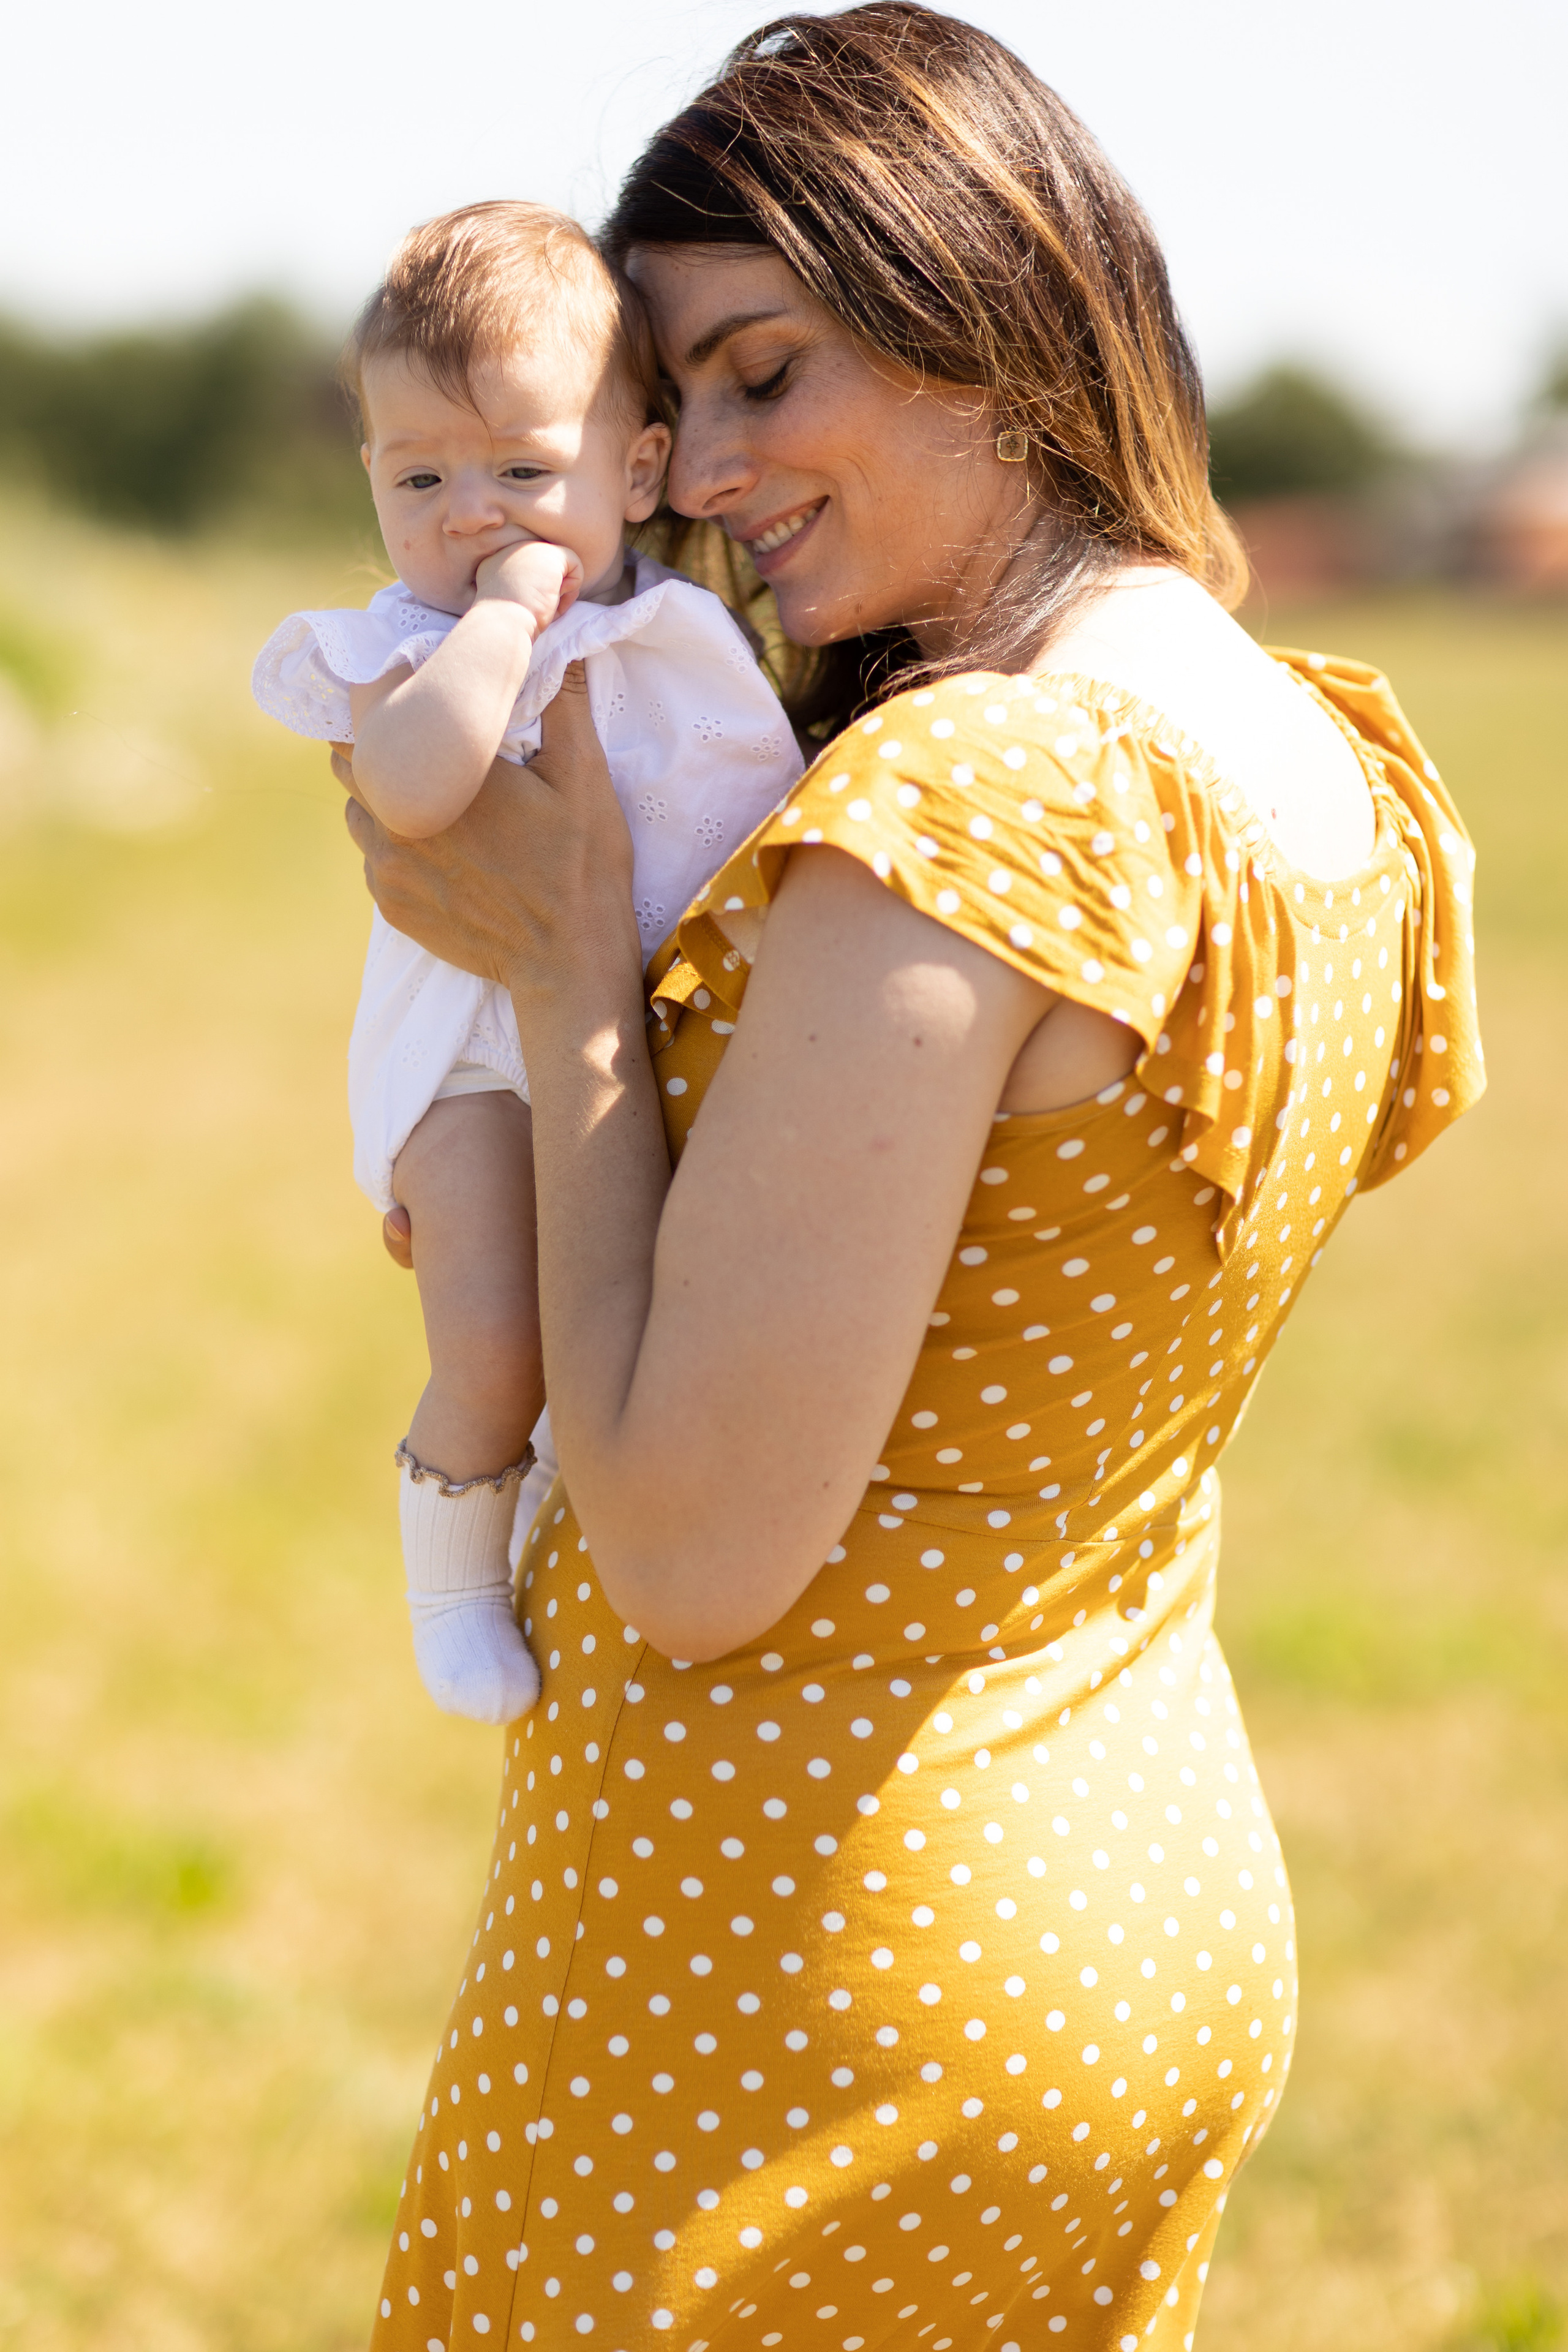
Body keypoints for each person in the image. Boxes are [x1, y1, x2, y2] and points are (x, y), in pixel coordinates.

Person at [342, 8, 1483, 2345]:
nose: (707, 474)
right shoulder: (1331, 762)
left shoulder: (974, 798)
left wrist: (566, 965)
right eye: (679, 408)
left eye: (771, 372)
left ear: (987, 303)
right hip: (1131, 1874)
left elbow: (682, 1549)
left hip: (800, 1951)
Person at [252, 202, 802, 1724]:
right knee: (498, 1338)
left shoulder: (689, 636)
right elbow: (415, 792)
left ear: (633, 471)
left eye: (521, 474)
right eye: (420, 475)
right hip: (469, 1064)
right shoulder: (392, 649)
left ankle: (576, 1497)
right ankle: (449, 1580)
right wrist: (496, 629)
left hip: (637, 1035)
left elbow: (756, 798)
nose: (471, 515)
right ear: (370, 478)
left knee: (629, 1322)